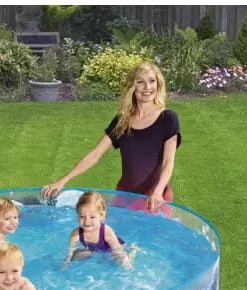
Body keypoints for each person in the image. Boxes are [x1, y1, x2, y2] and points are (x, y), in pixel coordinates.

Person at [41, 61, 181, 213]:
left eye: (152, 81)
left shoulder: (167, 118)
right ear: (132, 87)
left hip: (154, 198)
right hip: (125, 196)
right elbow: (95, 155)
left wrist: (158, 191)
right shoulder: (122, 121)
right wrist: (64, 180)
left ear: (158, 84)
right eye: (140, 82)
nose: (147, 87)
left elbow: (168, 162)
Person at [62, 191, 137, 270]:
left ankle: (132, 252)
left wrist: (126, 265)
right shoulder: (76, 235)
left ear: (101, 216)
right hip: (93, 249)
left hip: (111, 249)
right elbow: (69, 254)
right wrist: (64, 266)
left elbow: (118, 251)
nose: (87, 221)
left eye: (92, 217)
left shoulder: (106, 232)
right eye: (82, 216)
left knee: (122, 262)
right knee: (75, 256)